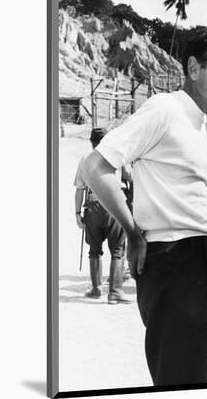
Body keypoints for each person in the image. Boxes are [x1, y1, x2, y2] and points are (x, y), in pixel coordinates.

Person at [81, 26, 207, 386]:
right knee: (178, 375)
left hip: (203, 253)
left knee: (193, 371)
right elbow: (95, 167)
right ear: (194, 68)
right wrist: (134, 234)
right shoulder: (165, 109)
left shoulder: (199, 120)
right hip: (175, 256)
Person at [74, 127, 131, 304]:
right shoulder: (119, 157)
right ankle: (115, 292)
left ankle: (96, 289)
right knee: (118, 250)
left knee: (94, 250)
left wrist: (77, 213)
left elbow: (79, 190)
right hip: (114, 205)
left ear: (91, 143)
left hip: (93, 206)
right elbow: (131, 179)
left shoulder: (85, 160)